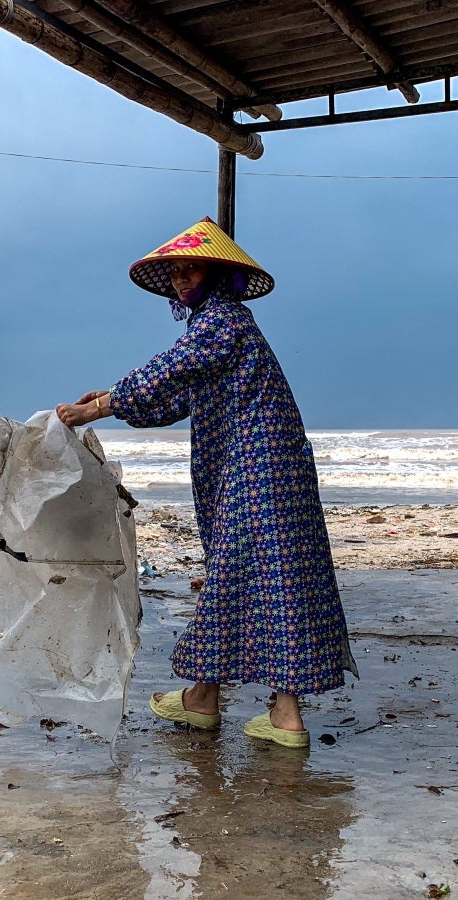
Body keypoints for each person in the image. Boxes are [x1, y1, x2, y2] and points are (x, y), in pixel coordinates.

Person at [55, 217, 358, 749]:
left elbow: (170, 369)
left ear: (217, 274)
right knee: (272, 581)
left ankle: (207, 700)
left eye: (190, 268)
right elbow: (172, 398)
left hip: (258, 466)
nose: (180, 279)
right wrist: (110, 399)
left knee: (238, 576)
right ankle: (272, 712)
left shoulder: (225, 323)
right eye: (174, 273)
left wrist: (103, 406)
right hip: (263, 466)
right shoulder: (213, 332)